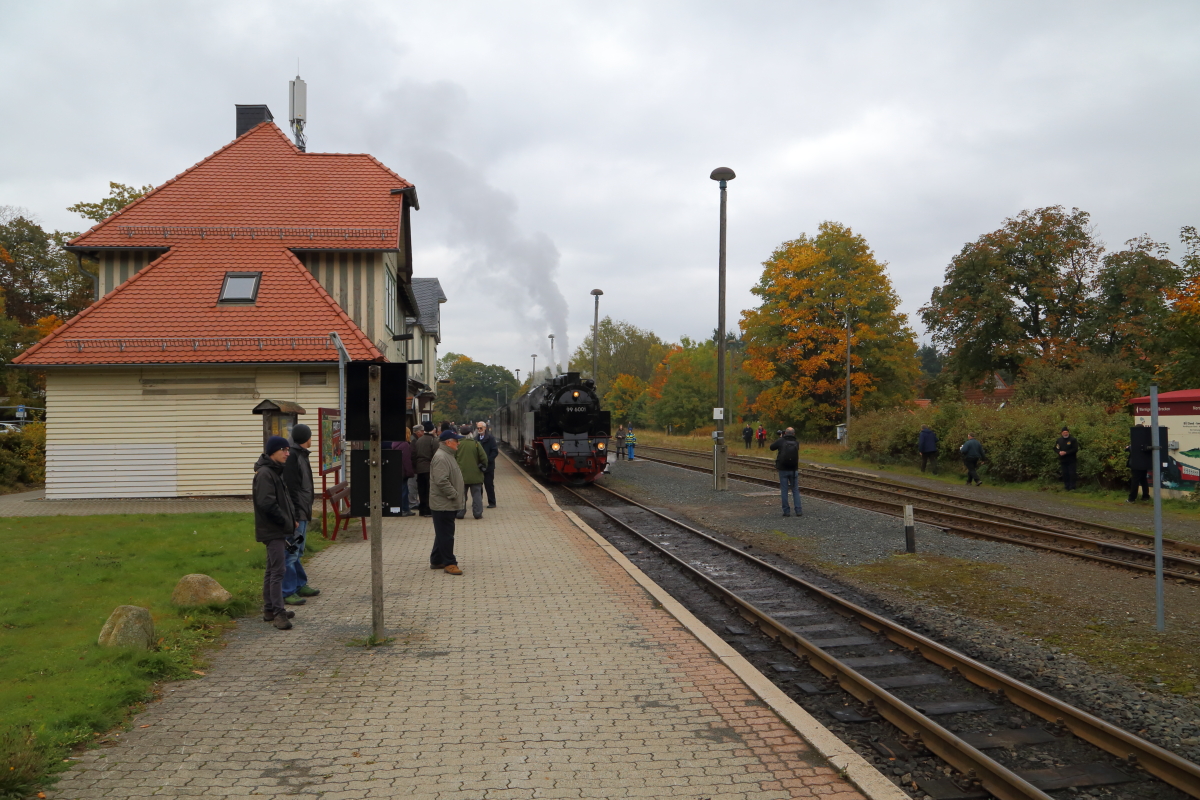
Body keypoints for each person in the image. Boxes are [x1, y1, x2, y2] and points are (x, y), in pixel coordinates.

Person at [254, 435, 298, 630]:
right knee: (278, 571)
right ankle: (279, 614)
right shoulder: (265, 474)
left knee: (272, 569)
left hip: (276, 528)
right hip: (272, 529)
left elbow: (282, 500)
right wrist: (286, 521)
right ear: (273, 451)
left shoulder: (274, 471)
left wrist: (291, 519)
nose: (287, 453)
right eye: (284, 450)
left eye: (288, 450)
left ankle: (270, 609)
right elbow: (267, 504)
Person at [281, 424, 319, 606]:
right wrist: (295, 515)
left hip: (303, 511)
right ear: (306, 438)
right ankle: (288, 591)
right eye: (310, 436)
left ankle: (299, 584)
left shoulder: (301, 455)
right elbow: (292, 488)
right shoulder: (294, 457)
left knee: (298, 551)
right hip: (298, 513)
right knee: (291, 552)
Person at [429, 429, 465, 574]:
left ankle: (436, 559)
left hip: (446, 503)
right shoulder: (441, 457)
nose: (458, 443)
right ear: (448, 443)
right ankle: (449, 563)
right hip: (443, 503)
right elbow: (441, 481)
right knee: (446, 535)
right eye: (456, 441)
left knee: (442, 532)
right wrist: (454, 494)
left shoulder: (447, 455)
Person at [455, 424, 488, 520]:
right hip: (476, 475)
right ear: (471, 433)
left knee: (461, 495)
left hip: (461, 475)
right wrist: (483, 467)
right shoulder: (476, 444)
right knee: (477, 495)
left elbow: (453, 458)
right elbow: (484, 458)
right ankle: (477, 513)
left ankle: (460, 513)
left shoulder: (457, 444)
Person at [770, 427, 803, 517]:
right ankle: (798, 510)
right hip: (794, 469)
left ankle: (786, 511)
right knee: (795, 490)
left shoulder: (781, 441)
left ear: (785, 433)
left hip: (783, 469)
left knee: (784, 490)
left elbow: (771, 447)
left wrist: (781, 438)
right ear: (794, 434)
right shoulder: (796, 442)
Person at [413, 421, 439, 517]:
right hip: (429, 468)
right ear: (432, 429)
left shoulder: (419, 440)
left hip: (420, 468)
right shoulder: (434, 440)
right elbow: (436, 455)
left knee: (421, 489)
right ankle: (428, 509)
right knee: (429, 489)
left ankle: (422, 509)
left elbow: (414, 454)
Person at [391, 428, 416, 516]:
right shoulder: (405, 445)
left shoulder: (394, 444)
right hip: (403, 471)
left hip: (397, 470)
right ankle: (403, 509)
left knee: (402, 490)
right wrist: (410, 472)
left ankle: (405, 508)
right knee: (404, 491)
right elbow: (406, 460)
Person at [475, 421, 499, 508]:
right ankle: (478, 502)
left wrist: (488, 460)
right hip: (478, 466)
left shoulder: (490, 438)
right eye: (478, 428)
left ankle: (492, 502)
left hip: (489, 466)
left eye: (481, 428)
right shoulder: (475, 439)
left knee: (489, 485)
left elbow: (495, 451)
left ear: (485, 428)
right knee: (478, 486)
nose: (479, 429)